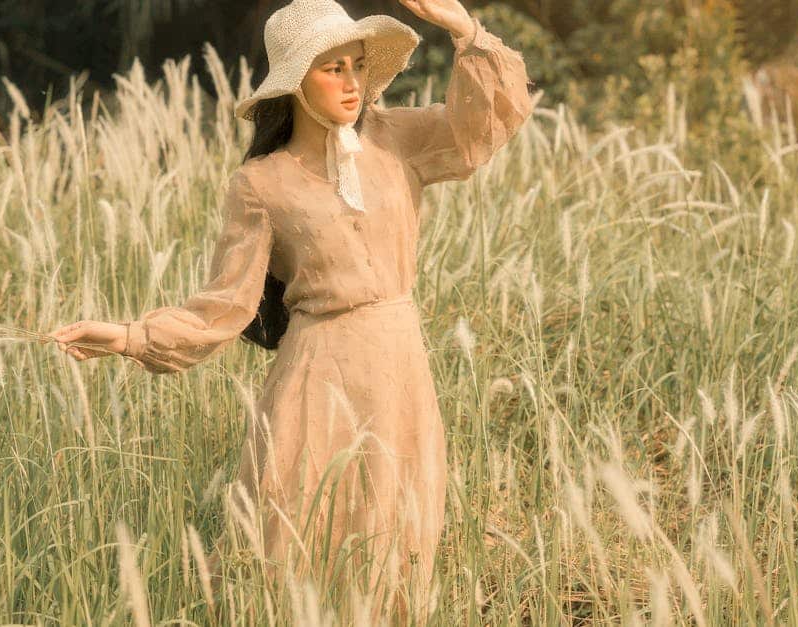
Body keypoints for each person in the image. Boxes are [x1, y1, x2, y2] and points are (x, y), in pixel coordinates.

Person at [50, 0, 534, 620]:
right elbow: (222, 307)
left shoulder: (397, 139)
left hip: (400, 375)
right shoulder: (261, 183)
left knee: (395, 544)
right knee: (298, 545)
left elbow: (481, 131)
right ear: (296, 79)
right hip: (314, 379)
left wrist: (465, 31)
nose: (352, 82)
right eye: (333, 68)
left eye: (357, 65)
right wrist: (127, 336)